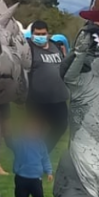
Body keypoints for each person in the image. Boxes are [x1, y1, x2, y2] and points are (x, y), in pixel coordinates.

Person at [26, 20, 69, 151]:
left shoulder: (55, 46)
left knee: (61, 126)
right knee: (34, 131)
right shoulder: (29, 48)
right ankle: (30, 161)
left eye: (43, 33)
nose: (40, 36)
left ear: (48, 33)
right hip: (37, 98)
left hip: (58, 97)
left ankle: (42, 153)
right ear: (32, 34)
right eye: (37, 34)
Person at [7, 115, 53, 197]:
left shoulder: (41, 145)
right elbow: (10, 143)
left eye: (35, 130)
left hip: (36, 177)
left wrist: (49, 171)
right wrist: (7, 131)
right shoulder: (20, 143)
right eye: (29, 129)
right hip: (22, 177)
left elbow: (45, 158)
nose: (32, 132)